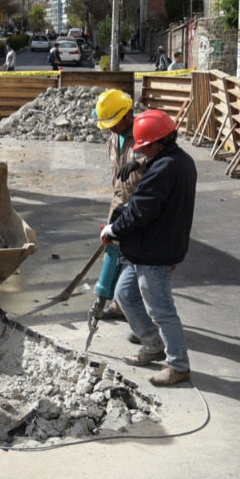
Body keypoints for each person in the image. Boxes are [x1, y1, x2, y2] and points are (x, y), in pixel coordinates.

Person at [101, 109, 197, 387]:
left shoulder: (165, 169)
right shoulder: (178, 160)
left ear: (159, 142)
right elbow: (155, 193)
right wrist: (143, 165)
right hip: (146, 248)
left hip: (156, 251)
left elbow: (142, 210)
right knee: (125, 295)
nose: (142, 151)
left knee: (161, 310)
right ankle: (153, 345)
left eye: (145, 147)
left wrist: (113, 229)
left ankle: (178, 365)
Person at [94, 89, 143, 324]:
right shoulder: (114, 138)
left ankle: (140, 316)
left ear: (127, 115)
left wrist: (139, 163)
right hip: (118, 204)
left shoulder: (144, 135)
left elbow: (163, 161)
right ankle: (116, 305)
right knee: (113, 252)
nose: (111, 128)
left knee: (137, 263)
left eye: (114, 123)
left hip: (140, 208)